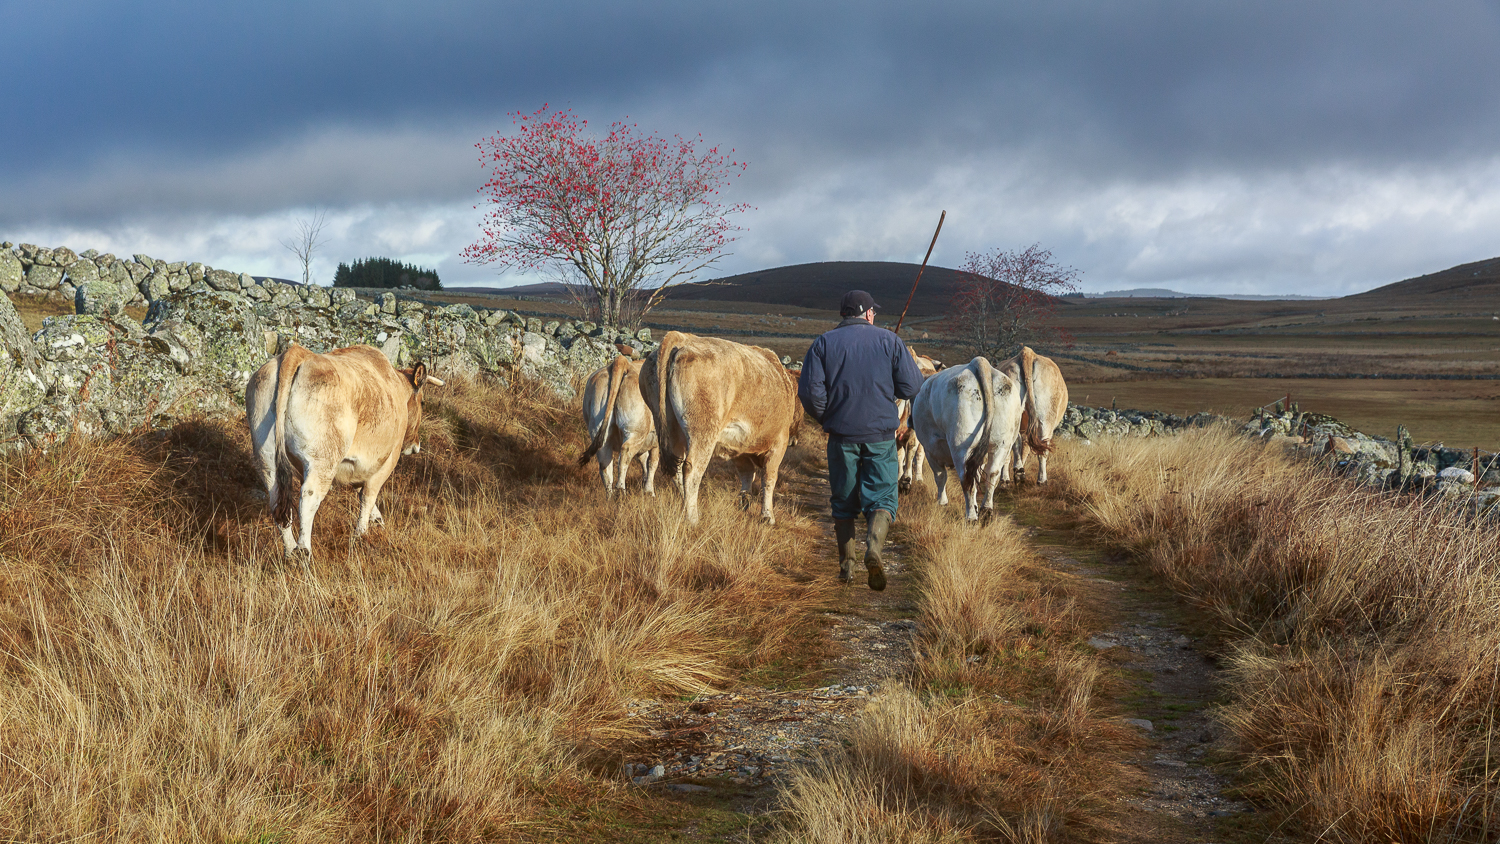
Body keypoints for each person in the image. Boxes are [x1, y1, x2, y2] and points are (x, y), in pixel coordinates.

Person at [797, 290, 925, 590]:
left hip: (841, 437)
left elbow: (809, 392)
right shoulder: (889, 342)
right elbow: (912, 386)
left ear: (845, 314)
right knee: (882, 498)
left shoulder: (823, 344)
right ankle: (874, 550)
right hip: (880, 437)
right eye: (874, 312)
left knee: (843, 502)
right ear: (867, 313)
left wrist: (828, 418)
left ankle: (846, 569)